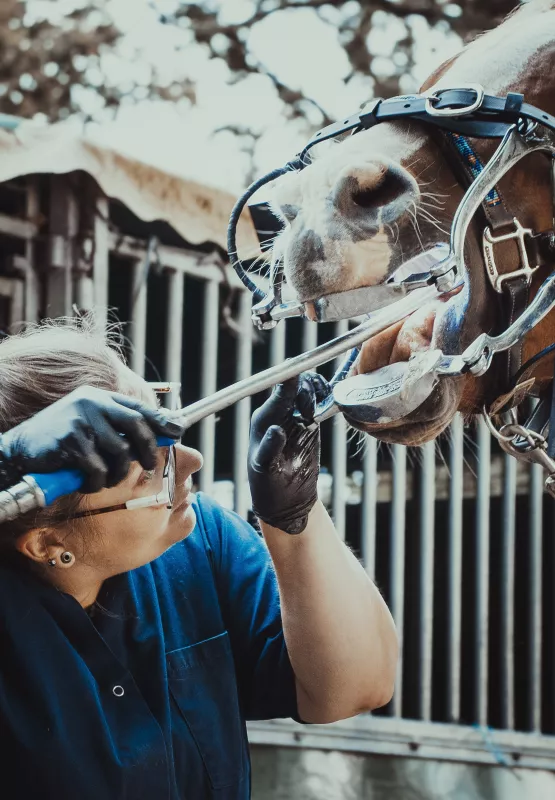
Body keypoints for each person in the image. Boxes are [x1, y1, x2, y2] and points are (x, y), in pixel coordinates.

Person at [0, 319, 397, 800]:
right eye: (148, 471)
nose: (191, 462)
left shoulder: (199, 539)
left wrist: (295, 518)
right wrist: (5, 460)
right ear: (46, 545)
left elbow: (357, 686)